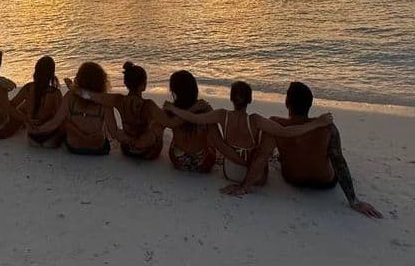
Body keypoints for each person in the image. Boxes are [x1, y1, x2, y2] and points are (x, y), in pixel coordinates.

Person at [229, 81, 382, 217]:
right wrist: (354, 201)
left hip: (293, 179)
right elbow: (339, 163)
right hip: (325, 182)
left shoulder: (275, 124)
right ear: (310, 105)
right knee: (335, 155)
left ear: (287, 103)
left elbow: (261, 157)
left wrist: (244, 187)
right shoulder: (327, 126)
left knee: (272, 153)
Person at [165, 80, 333, 192]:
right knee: (266, 143)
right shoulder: (255, 120)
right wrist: (317, 123)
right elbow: (286, 132)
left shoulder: (222, 115)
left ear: (231, 99)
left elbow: (194, 118)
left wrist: (173, 109)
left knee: (209, 126)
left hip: (229, 171)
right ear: (250, 100)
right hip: (255, 175)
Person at [69, 60, 178, 160]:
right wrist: (172, 110)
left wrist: (74, 87)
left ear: (126, 84)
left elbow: (90, 96)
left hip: (127, 149)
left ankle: (133, 141)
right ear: (143, 85)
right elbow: (171, 123)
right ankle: (141, 142)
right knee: (159, 123)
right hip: (148, 151)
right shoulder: (149, 105)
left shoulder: (118, 100)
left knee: (112, 111)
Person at [28, 61, 116, 155]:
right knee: (104, 127)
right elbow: (114, 132)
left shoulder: (70, 96)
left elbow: (55, 122)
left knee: (68, 119)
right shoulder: (105, 100)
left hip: (74, 147)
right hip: (97, 147)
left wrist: (38, 130)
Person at [164, 70, 216, 173]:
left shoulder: (171, 109)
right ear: (194, 88)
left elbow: (160, 126)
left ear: (173, 90)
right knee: (210, 135)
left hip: (178, 160)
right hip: (204, 162)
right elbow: (215, 136)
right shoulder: (204, 107)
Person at [9, 56, 63, 139]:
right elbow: (61, 116)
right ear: (52, 73)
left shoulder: (28, 88)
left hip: (32, 135)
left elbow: (10, 106)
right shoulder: (55, 92)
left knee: (24, 106)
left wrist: (25, 119)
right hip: (47, 134)